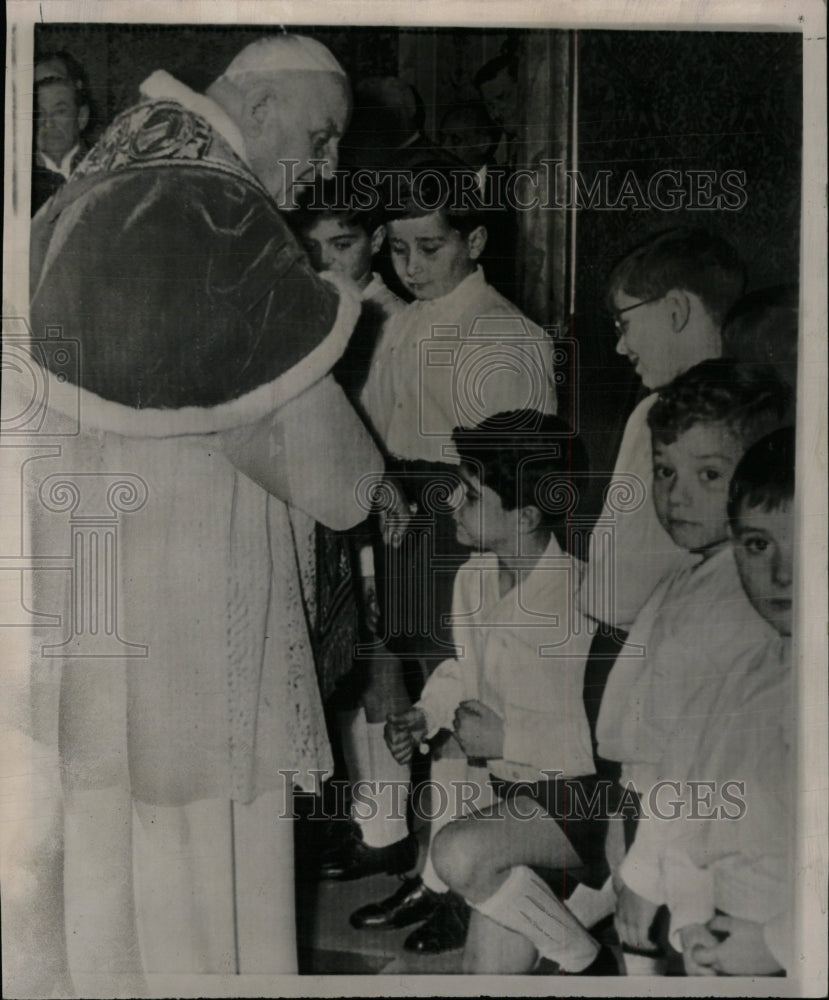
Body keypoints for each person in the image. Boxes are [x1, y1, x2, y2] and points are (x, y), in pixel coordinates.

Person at [19, 33, 392, 992]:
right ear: (258, 109)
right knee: (206, 867)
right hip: (193, 599)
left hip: (97, 580)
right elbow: (323, 467)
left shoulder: (107, 172)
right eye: (320, 134)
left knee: (113, 851)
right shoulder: (214, 207)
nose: (327, 166)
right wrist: (373, 484)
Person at [323, 166, 558, 937]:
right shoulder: (403, 319)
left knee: (465, 701)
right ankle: (417, 861)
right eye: (397, 249)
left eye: (430, 248)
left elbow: (517, 463)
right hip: (401, 514)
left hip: (466, 518)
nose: (410, 266)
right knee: (411, 690)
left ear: (475, 241)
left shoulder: (502, 330)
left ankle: (457, 883)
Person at [381, 410, 619, 974]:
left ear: (527, 514)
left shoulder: (583, 600)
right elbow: (467, 672)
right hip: (515, 808)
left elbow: (601, 742)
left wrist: (509, 737)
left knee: (456, 852)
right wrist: (427, 714)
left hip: (585, 806)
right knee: (482, 976)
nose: (452, 505)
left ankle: (585, 959)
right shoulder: (473, 579)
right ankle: (580, 953)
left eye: (470, 495)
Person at [593, 360, 790, 957]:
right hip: (647, 807)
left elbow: (693, 759)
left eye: (709, 475)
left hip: (683, 833)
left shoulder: (741, 596)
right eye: (664, 471)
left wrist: (648, 872)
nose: (677, 496)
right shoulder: (692, 574)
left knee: (681, 956)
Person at [580, 228, 746, 632]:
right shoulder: (649, 411)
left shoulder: (730, 421)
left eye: (625, 325)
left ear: (675, 310)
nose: (622, 347)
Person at [31, 65, 92, 213]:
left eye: (60, 111)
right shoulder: (19, 176)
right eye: (40, 113)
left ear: (81, 117)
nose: (48, 123)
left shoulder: (103, 168)